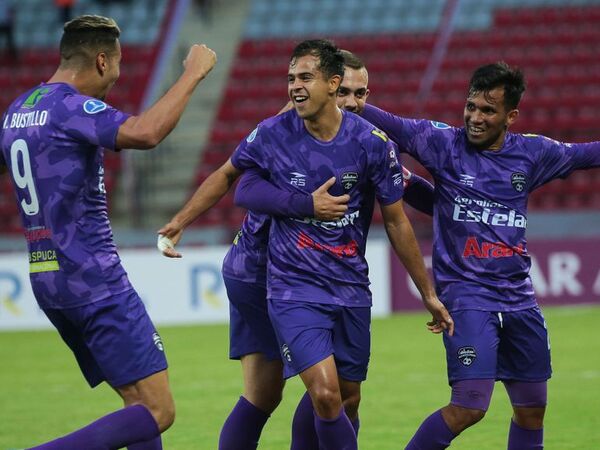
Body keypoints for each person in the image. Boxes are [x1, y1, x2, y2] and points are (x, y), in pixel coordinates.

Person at [157, 48, 438, 449]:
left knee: (327, 395)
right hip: (262, 272)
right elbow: (242, 186)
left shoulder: (367, 142)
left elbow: (406, 192)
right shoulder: (280, 134)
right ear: (331, 87)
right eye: (348, 94)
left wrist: (465, 207)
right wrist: (182, 221)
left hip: (339, 279)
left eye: (363, 94)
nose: (355, 104)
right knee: (304, 394)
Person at [0, 15, 216, 450]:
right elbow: (146, 132)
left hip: (48, 277)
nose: (117, 76)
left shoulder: (18, 110)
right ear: (101, 60)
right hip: (92, 277)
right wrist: (192, 73)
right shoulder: (69, 107)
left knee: (136, 406)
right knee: (159, 411)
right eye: (116, 65)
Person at [359, 61, 600, 450]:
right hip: (466, 294)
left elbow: (588, 154)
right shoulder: (442, 143)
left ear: (511, 116)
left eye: (488, 110)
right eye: (471, 106)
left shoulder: (533, 154)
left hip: (519, 296)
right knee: (469, 407)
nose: (475, 116)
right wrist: (346, 102)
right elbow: (392, 123)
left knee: (532, 408)